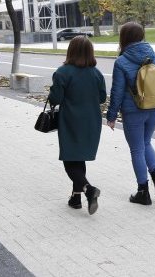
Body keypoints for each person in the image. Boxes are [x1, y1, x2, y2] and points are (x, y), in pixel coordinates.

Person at [106, 22, 155, 205]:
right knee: (146, 143)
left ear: (123, 38)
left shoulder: (122, 61)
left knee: (137, 149)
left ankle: (143, 192)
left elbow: (117, 92)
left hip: (133, 111)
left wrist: (111, 116)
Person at [48, 36, 106, 215]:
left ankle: (88, 190)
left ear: (70, 51)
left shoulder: (62, 72)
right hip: (92, 122)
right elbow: (102, 98)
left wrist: (53, 92)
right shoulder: (96, 73)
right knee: (78, 158)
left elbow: (55, 99)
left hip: (71, 121)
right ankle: (75, 198)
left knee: (70, 160)